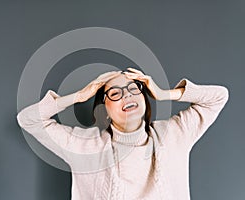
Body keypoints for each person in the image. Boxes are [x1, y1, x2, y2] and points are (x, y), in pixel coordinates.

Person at [16, 67, 229, 200]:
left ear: (145, 98)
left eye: (134, 88)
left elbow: (219, 96)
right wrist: (80, 96)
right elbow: (28, 119)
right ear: (104, 110)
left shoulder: (175, 134)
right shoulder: (84, 147)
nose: (127, 95)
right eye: (115, 93)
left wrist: (164, 94)